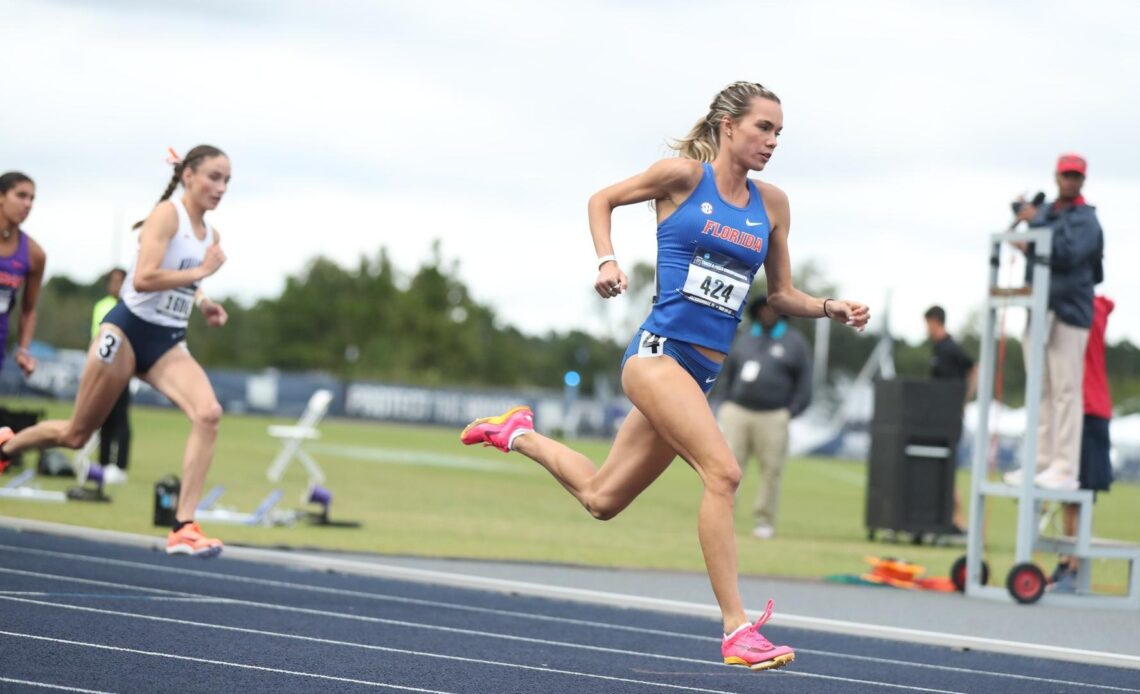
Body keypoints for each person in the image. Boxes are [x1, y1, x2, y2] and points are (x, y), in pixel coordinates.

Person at [460, 82, 869, 671]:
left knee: (602, 498)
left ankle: (516, 432)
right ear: (728, 126)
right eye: (763, 128)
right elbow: (601, 199)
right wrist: (606, 259)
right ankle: (736, 629)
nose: (773, 141)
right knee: (723, 472)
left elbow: (780, 294)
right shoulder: (681, 177)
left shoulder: (772, 204)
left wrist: (831, 307)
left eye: (779, 132)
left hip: (699, 376)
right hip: (657, 356)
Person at [0, 146, 231, 557]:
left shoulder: (209, 236)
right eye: (214, 177)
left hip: (167, 341)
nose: (221, 187)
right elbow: (142, 279)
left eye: (227, 180)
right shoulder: (166, 215)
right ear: (189, 176)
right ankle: (5, 448)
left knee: (209, 413)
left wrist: (204, 301)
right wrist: (200, 272)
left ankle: (183, 526)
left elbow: (186, 280)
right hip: (126, 332)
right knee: (75, 435)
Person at [1004, 153, 1104, 491]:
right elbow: (1035, 244)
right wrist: (1023, 218)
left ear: (1082, 181)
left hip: (1069, 313)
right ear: (1056, 176)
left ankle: (1064, 466)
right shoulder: (1047, 213)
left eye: (1076, 176)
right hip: (1039, 310)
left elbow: (1067, 253)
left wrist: (1035, 222)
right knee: (1041, 391)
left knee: (1065, 391)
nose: (1070, 180)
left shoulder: (1086, 219)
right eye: (1066, 175)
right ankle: (1040, 462)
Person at [713, 294, 812, 540]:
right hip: (737, 411)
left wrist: (792, 410)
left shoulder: (794, 341)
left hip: (774, 414)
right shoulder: (744, 336)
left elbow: (805, 382)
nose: (768, 313)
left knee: (771, 470)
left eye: (772, 309)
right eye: (763, 309)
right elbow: (727, 371)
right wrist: (724, 402)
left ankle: (764, 521)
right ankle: (723, 518)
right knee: (728, 468)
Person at [1052, 294, 1115, 592]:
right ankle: (1068, 560)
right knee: (1070, 491)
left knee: (1080, 493)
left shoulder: (1084, 308)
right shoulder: (1097, 304)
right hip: (1085, 407)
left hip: (1088, 408)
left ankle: (1074, 566)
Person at [924, 305, 976, 533]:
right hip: (938, 416)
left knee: (949, 468)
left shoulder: (950, 347)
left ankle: (959, 520)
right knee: (940, 468)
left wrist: (965, 399)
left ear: (935, 321)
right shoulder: (936, 348)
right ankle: (947, 518)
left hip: (950, 417)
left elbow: (974, 367)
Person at [0, 172, 47, 379]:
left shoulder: (34, 254)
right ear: (1, 196)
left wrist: (23, 350)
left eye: (32, 198)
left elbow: (28, 310)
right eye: (21, 195)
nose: (28, 204)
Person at [90, 268, 132, 484]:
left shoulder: (132, 306)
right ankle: (103, 463)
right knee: (103, 418)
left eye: (120, 281)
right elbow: (95, 338)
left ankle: (121, 466)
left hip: (123, 370)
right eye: (113, 281)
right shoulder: (101, 306)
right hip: (103, 370)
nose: (116, 285)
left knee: (121, 419)